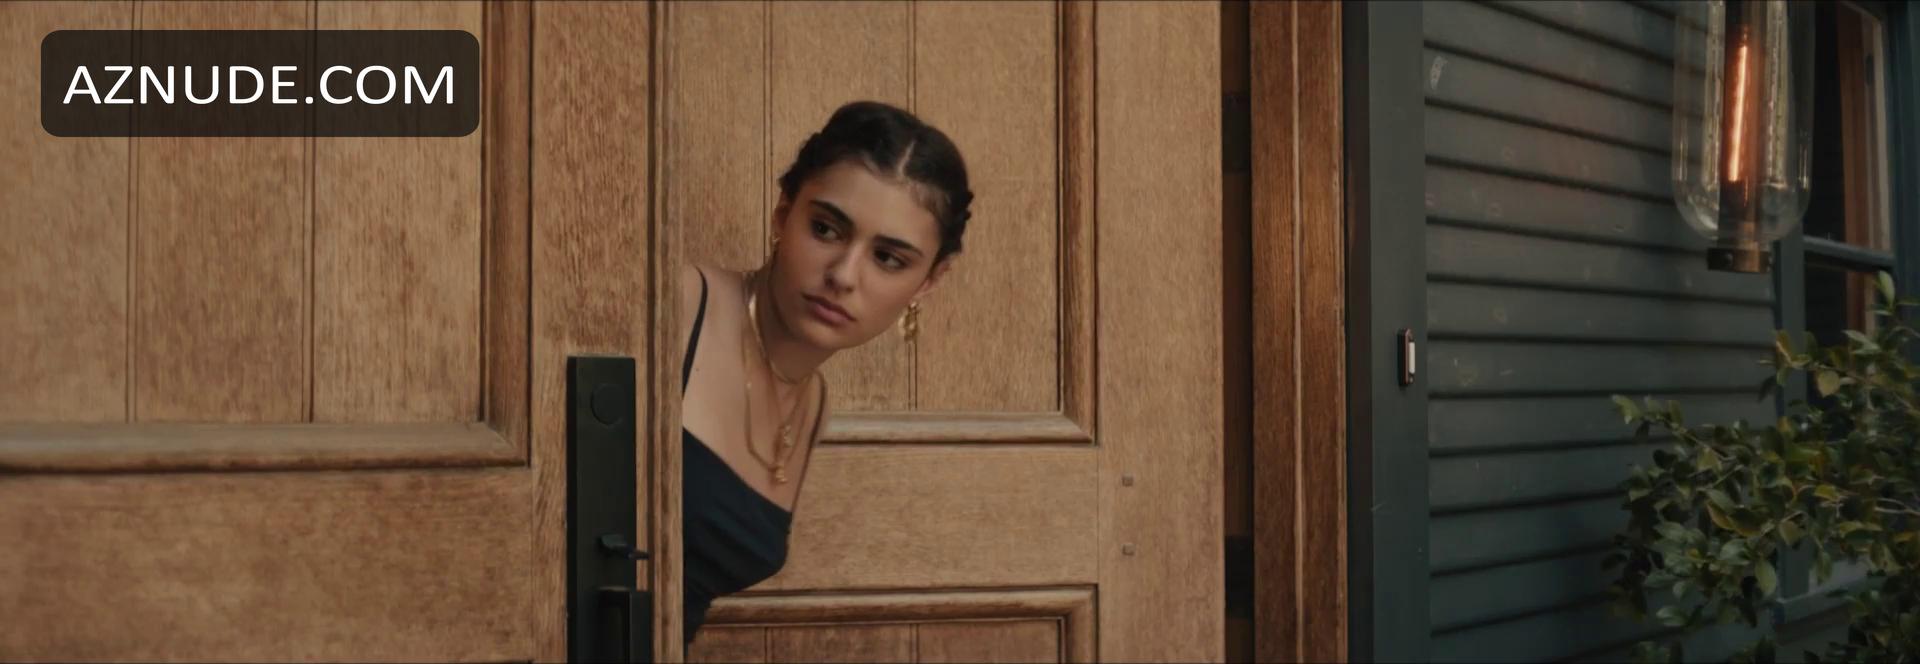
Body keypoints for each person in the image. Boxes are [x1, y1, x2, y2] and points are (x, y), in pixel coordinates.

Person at [677, 100, 973, 645]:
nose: (843, 275)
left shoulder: (812, 405)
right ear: (782, 214)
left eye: (888, 258)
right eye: (826, 229)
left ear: (929, 281)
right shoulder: (677, 307)